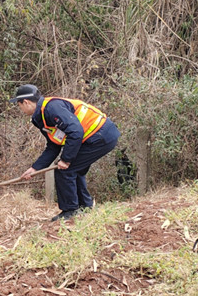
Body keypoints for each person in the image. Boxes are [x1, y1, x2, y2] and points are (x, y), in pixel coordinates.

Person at [10, 84, 120, 221]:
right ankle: (85, 207)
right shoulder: (41, 116)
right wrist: (35, 168)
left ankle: (70, 211)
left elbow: (75, 131)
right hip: (95, 135)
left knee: (66, 170)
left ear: (25, 102)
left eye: (19, 105)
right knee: (75, 169)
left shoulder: (52, 108)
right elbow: (53, 145)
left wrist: (66, 159)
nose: (20, 109)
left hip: (101, 134)